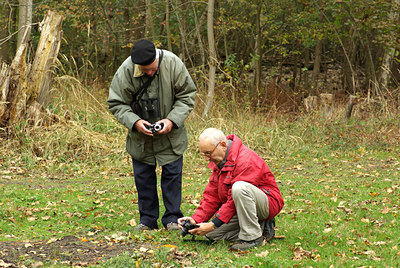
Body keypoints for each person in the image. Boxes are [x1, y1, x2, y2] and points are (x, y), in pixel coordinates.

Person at [108, 39, 196, 231]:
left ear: (157, 57)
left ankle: (172, 218)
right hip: (140, 139)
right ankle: (147, 219)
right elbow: (116, 103)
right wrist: (135, 122)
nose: (148, 72)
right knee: (143, 177)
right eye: (144, 69)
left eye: (152, 68)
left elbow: (187, 95)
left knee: (172, 176)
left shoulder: (173, 64)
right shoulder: (126, 70)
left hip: (171, 136)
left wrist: (171, 120)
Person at [178, 128, 284, 251]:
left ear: (222, 145)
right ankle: (262, 228)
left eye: (208, 153)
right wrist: (195, 219)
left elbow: (233, 200)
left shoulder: (245, 159)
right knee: (211, 235)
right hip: (241, 205)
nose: (207, 158)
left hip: (267, 203)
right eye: (204, 154)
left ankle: (252, 237)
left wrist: (213, 224)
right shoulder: (221, 161)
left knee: (239, 188)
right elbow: (212, 195)